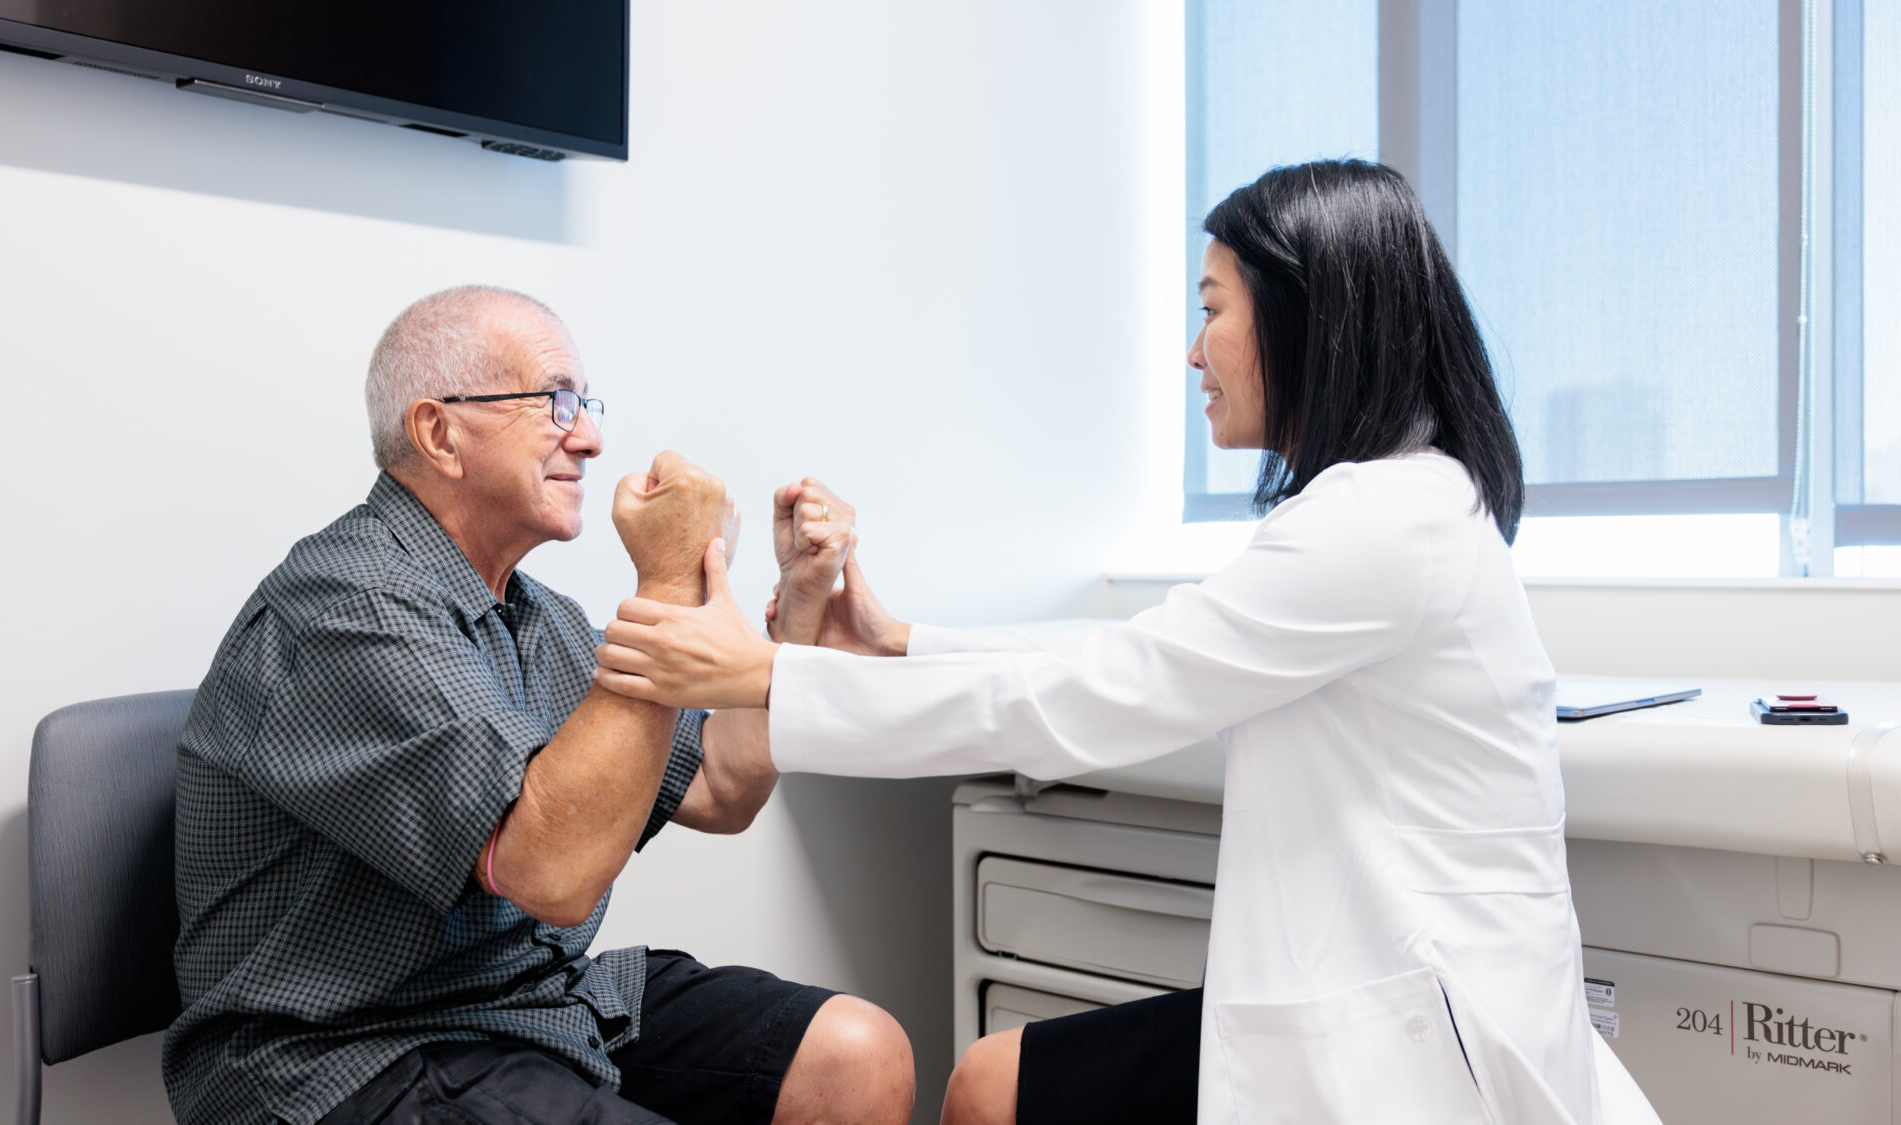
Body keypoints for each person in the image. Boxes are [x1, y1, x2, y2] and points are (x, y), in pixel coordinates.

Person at [589, 161, 1663, 1124]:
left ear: (1304, 321)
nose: (1193, 351)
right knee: (992, 1083)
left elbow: (1110, 688)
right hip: (1379, 997)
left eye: (1212, 311)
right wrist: (896, 641)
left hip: (1421, 1052)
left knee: (991, 1086)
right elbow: (1146, 653)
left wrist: (765, 672)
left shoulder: (1379, 523)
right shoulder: (1396, 507)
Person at [165, 286, 914, 1125]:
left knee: (855, 1051)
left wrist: (800, 605)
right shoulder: (348, 607)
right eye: (556, 402)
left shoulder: (532, 615)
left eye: (585, 404)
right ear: (438, 432)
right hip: (341, 1053)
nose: (590, 437)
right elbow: (550, 875)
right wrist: (669, 581)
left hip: (524, 1005)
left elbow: (723, 788)